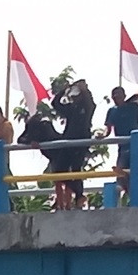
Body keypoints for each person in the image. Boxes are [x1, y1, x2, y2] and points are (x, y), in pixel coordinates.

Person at [52, 79, 96, 207]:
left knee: (76, 170)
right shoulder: (70, 109)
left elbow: (91, 103)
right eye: (73, 97)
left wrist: (85, 90)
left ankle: (78, 197)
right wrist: (63, 90)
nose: (74, 99)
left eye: (76, 96)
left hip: (80, 143)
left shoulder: (87, 107)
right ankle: (79, 194)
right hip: (68, 143)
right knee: (59, 172)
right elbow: (55, 103)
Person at [100, 86, 138, 174]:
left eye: (118, 95)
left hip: (136, 145)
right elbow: (108, 129)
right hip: (122, 147)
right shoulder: (112, 111)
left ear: (124, 96)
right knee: (121, 172)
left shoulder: (133, 107)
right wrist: (102, 135)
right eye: (114, 95)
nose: (116, 97)